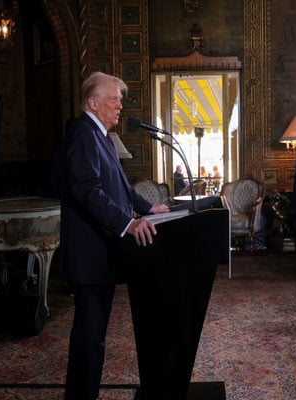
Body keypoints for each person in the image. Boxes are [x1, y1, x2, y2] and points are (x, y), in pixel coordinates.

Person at [56, 71, 170, 400]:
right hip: (89, 255)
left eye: (120, 99)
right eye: (113, 99)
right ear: (93, 102)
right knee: (89, 337)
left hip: (102, 253)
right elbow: (87, 190)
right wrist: (129, 224)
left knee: (95, 335)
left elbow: (120, 185)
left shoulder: (102, 135)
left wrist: (149, 208)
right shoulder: (82, 134)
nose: (120, 105)